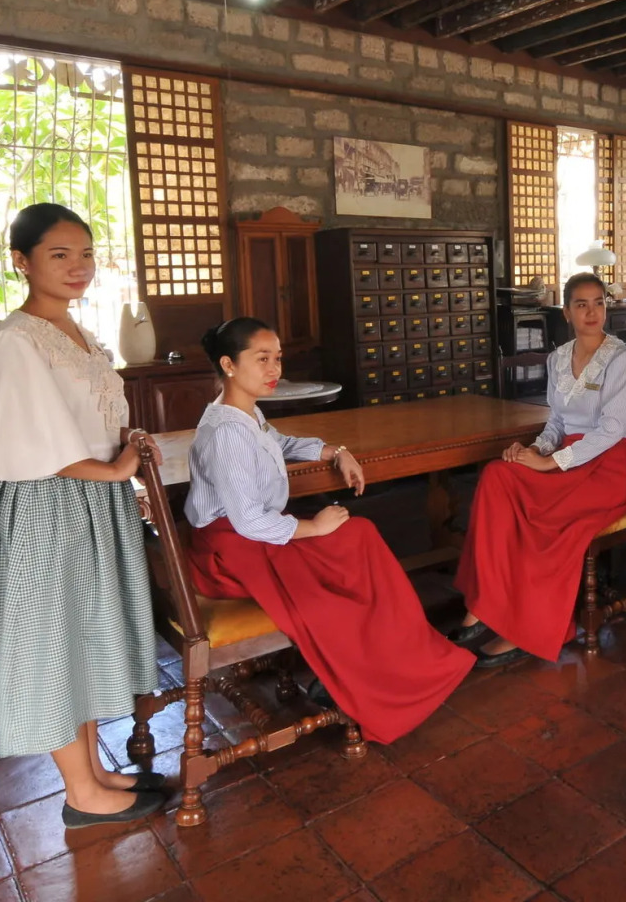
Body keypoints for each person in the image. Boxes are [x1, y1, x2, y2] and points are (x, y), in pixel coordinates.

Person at [0, 202, 165, 829]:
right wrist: (115, 470)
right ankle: (81, 794)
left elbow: (88, 419)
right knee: (54, 643)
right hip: (48, 508)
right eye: (59, 254)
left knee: (82, 638)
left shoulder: (76, 333)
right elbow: (31, 444)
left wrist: (127, 445)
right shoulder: (17, 341)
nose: (78, 266)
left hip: (92, 501)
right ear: (21, 262)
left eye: (86, 253)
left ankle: (95, 772)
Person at [184, 318, 473, 744]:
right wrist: (314, 527)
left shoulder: (244, 413)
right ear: (229, 364)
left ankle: (398, 657)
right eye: (262, 359)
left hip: (252, 536)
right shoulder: (226, 432)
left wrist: (335, 451)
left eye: (277, 358)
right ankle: (371, 677)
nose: (274, 369)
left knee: (360, 536)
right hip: (231, 551)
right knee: (344, 567)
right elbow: (248, 520)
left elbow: (280, 443)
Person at [453, 273, 626, 667]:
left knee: (544, 523)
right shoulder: (558, 359)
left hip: (608, 467)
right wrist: (534, 450)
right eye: (581, 304)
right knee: (498, 476)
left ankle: (524, 630)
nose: (592, 312)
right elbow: (556, 422)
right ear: (567, 312)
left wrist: (549, 462)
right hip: (566, 458)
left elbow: (610, 431)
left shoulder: (623, 360)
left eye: (598, 302)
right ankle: (484, 602)